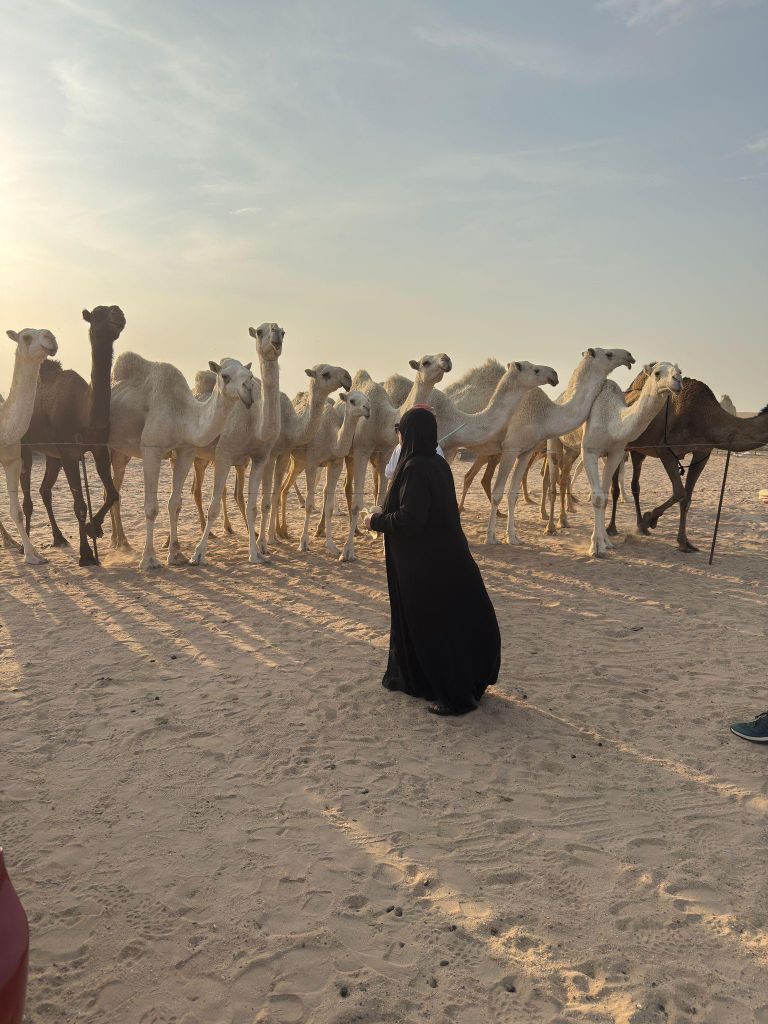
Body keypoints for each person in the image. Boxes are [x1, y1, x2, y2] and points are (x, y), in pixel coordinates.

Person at [365, 406, 501, 716]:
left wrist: (374, 521)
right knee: (451, 624)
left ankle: (455, 697)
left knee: (436, 629)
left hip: (427, 568)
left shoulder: (415, 469)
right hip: (446, 560)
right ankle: (437, 682)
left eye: (401, 429)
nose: (398, 434)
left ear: (410, 433)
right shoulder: (438, 464)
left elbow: (411, 520)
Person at [385, 415, 445, 481]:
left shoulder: (402, 449)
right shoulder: (438, 451)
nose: (397, 433)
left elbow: (390, 472)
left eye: (399, 429)